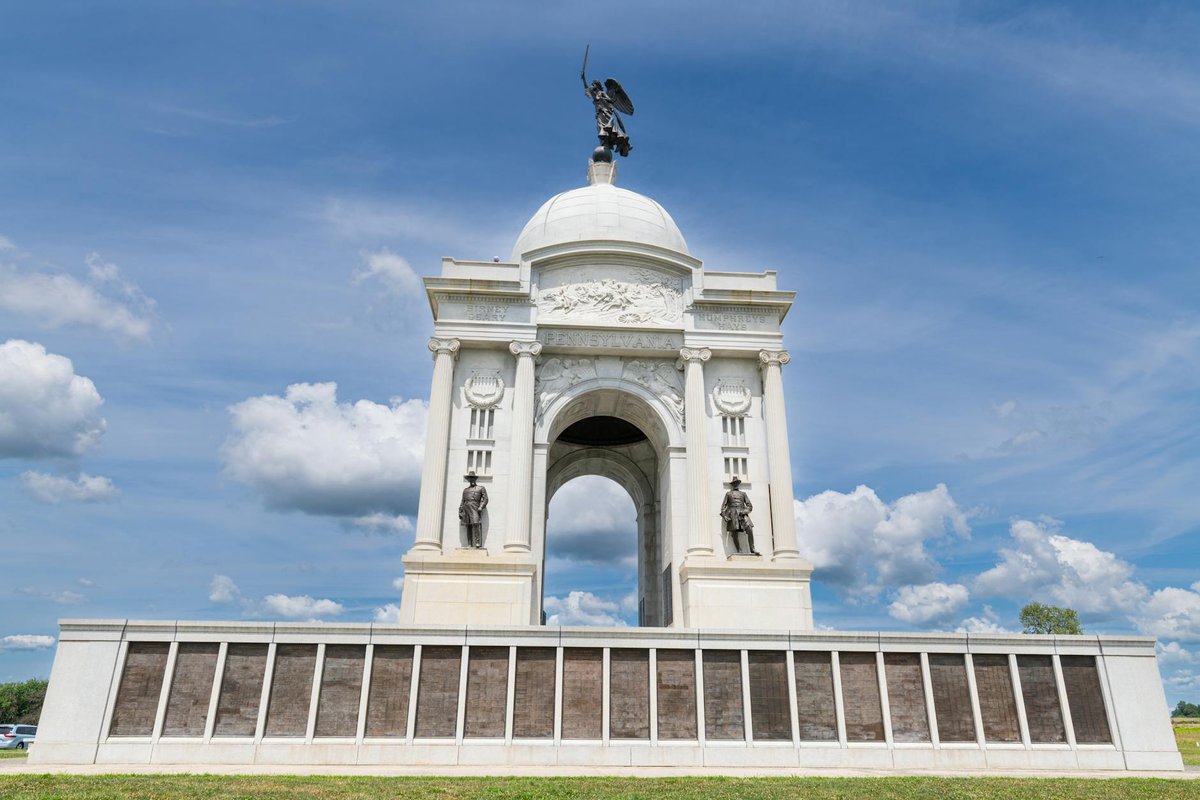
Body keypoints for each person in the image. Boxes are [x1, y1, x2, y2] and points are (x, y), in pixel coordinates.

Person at [720, 476, 759, 555]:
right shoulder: (728, 494)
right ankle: (739, 550)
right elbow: (723, 507)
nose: (735, 484)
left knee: (749, 528)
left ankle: (752, 548)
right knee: (734, 533)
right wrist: (725, 516)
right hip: (733, 514)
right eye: (734, 483)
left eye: (736, 483)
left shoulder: (743, 494)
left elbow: (749, 506)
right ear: (732, 484)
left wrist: (745, 511)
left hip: (742, 514)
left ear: (738, 484)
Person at [459, 470, 488, 548]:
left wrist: (481, 507)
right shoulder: (465, 490)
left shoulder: (481, 488)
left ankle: (477, 542)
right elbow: (462, 501)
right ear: (468, 480)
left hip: (475, 508)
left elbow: (485, 499)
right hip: (466, 509)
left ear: (475, 479)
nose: (472, 480)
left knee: (476, 524)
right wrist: (460, 511)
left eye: (473, 478)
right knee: (468, 526)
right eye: (470, 478)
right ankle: (469, 543)